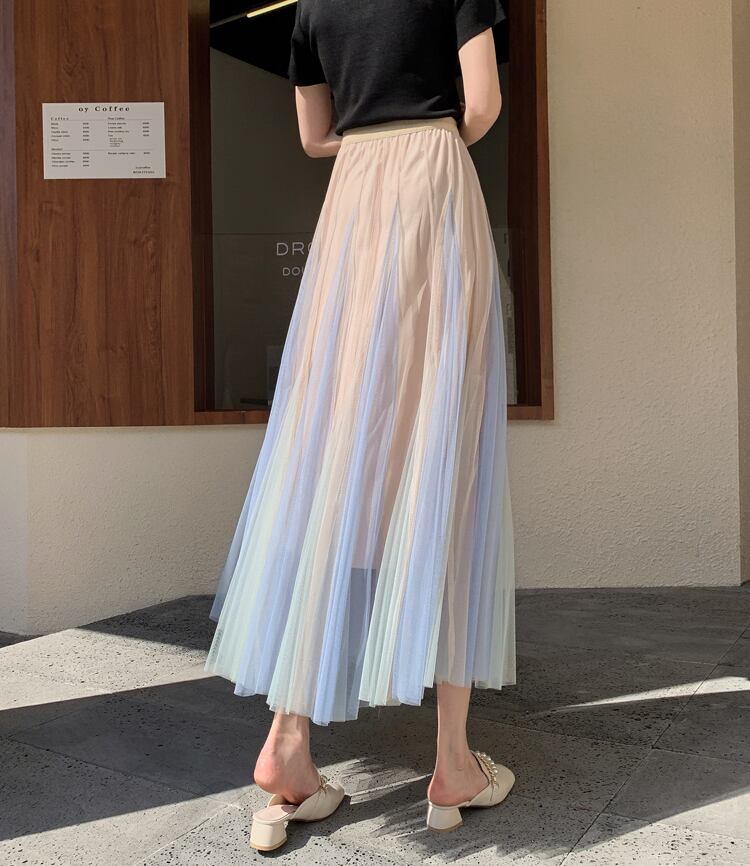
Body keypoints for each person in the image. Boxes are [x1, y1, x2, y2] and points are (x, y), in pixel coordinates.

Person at [205, 0, 516, 851]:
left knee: (333, 446)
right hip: (435, 190)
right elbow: (483, 106)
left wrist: (374, 145)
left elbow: (315, 137)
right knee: (444, 449)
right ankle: (452, 763)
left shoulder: (312, 7)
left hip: (353, 205)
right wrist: (426, 140)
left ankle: (287, 741)